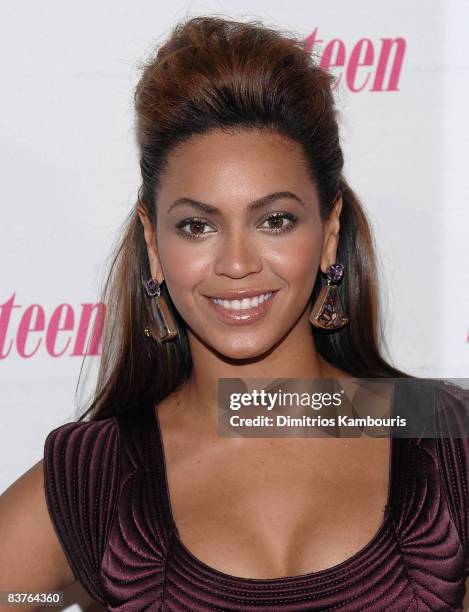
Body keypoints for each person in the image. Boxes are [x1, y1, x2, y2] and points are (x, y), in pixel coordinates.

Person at [1, 15, 468, 612]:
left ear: (329, 232)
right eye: (197, 226)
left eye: (275, 220)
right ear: (153, 243)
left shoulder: (444, 433)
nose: (237, 263)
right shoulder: (97, 477)